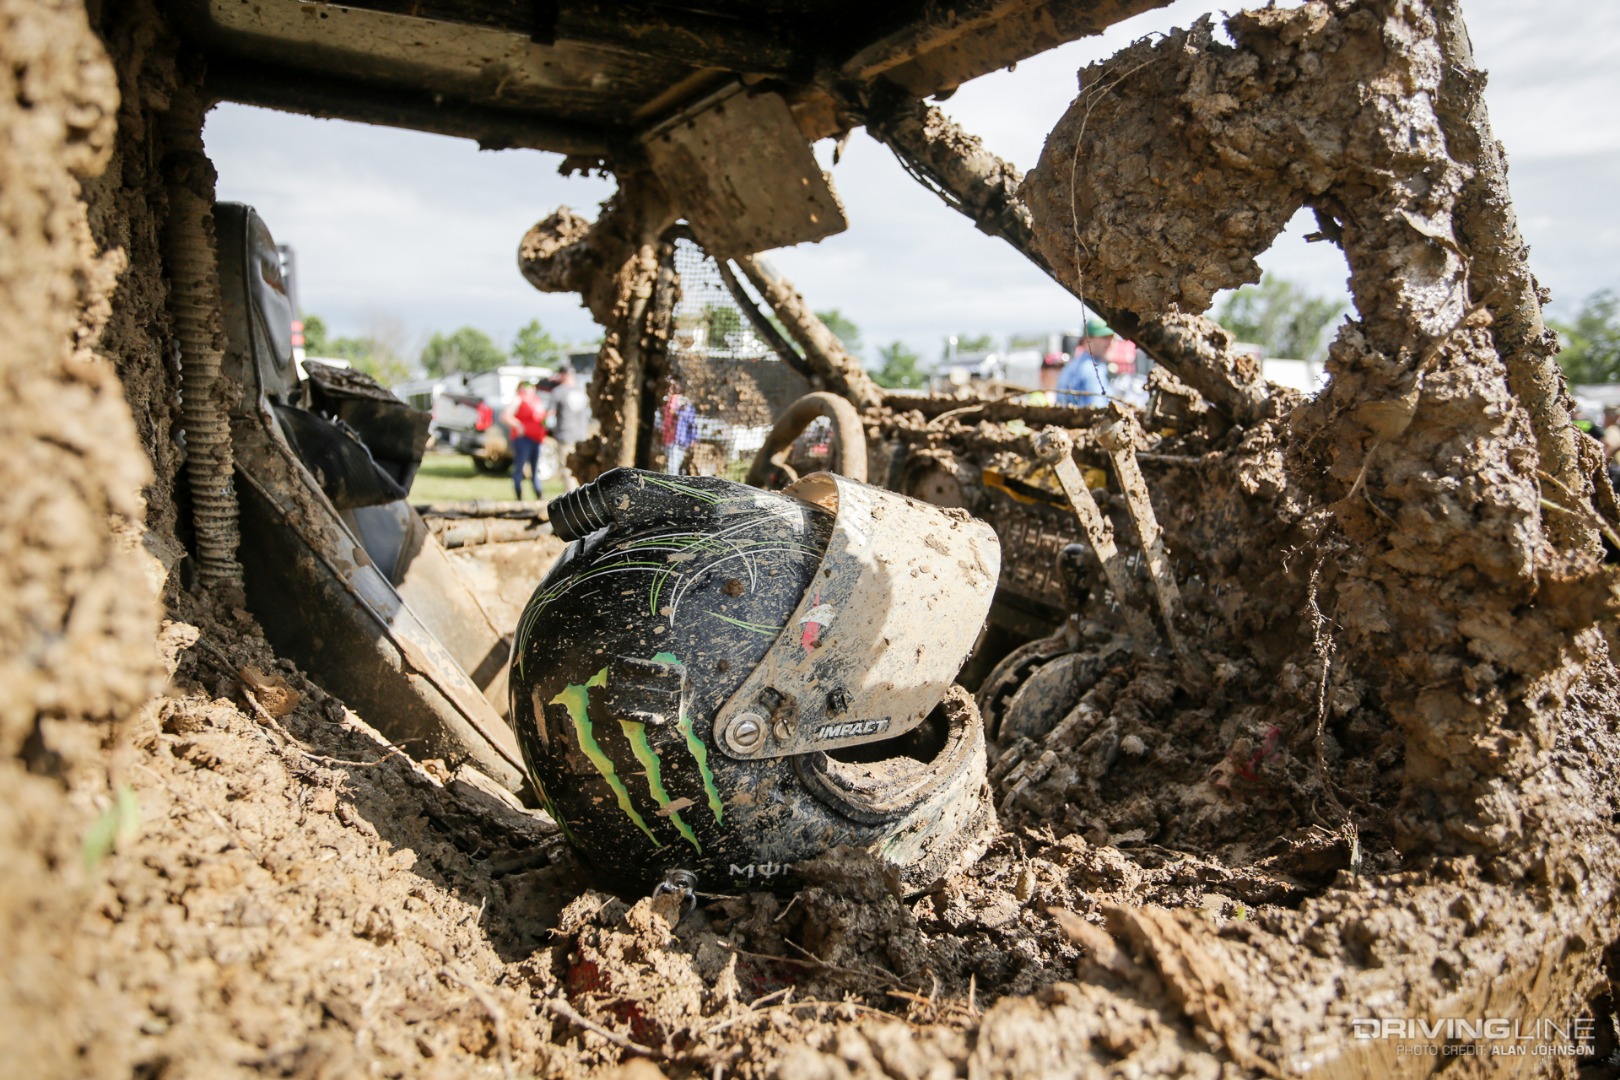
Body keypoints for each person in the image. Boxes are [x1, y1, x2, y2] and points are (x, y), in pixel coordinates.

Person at [547, 366, 590, 492]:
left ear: (563, 375)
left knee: (567, 470)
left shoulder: (558, 391)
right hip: (582, 436)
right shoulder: (582, 390)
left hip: (565, 435)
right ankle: (583, 498)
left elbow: (550, 413)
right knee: (581, 469)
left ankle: (572, 501)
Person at [1056, 317, 1115, 408]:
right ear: (1088, 340)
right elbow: (1097, 410)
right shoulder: (1091, 369)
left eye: (1111, 337)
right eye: (1105, 337)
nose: (1110, 342)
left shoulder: (1072, 366)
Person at [503, 381, 547, 500]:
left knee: (535, 468)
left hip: (536, 439)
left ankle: (539, 494)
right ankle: (519, 495)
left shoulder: (536, 400)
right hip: (523, 439)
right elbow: (506, 416)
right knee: (520, 467)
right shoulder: (519, 399)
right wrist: (518, 425)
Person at [660, 380, 698, 475]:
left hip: (679, 440)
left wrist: (692, 439)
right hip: (668, 440)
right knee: (669, 465)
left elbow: (691, 424)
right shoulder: (666, 401)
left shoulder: (684, 405)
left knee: (672, 467)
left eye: (672, 387)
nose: (669, 389)